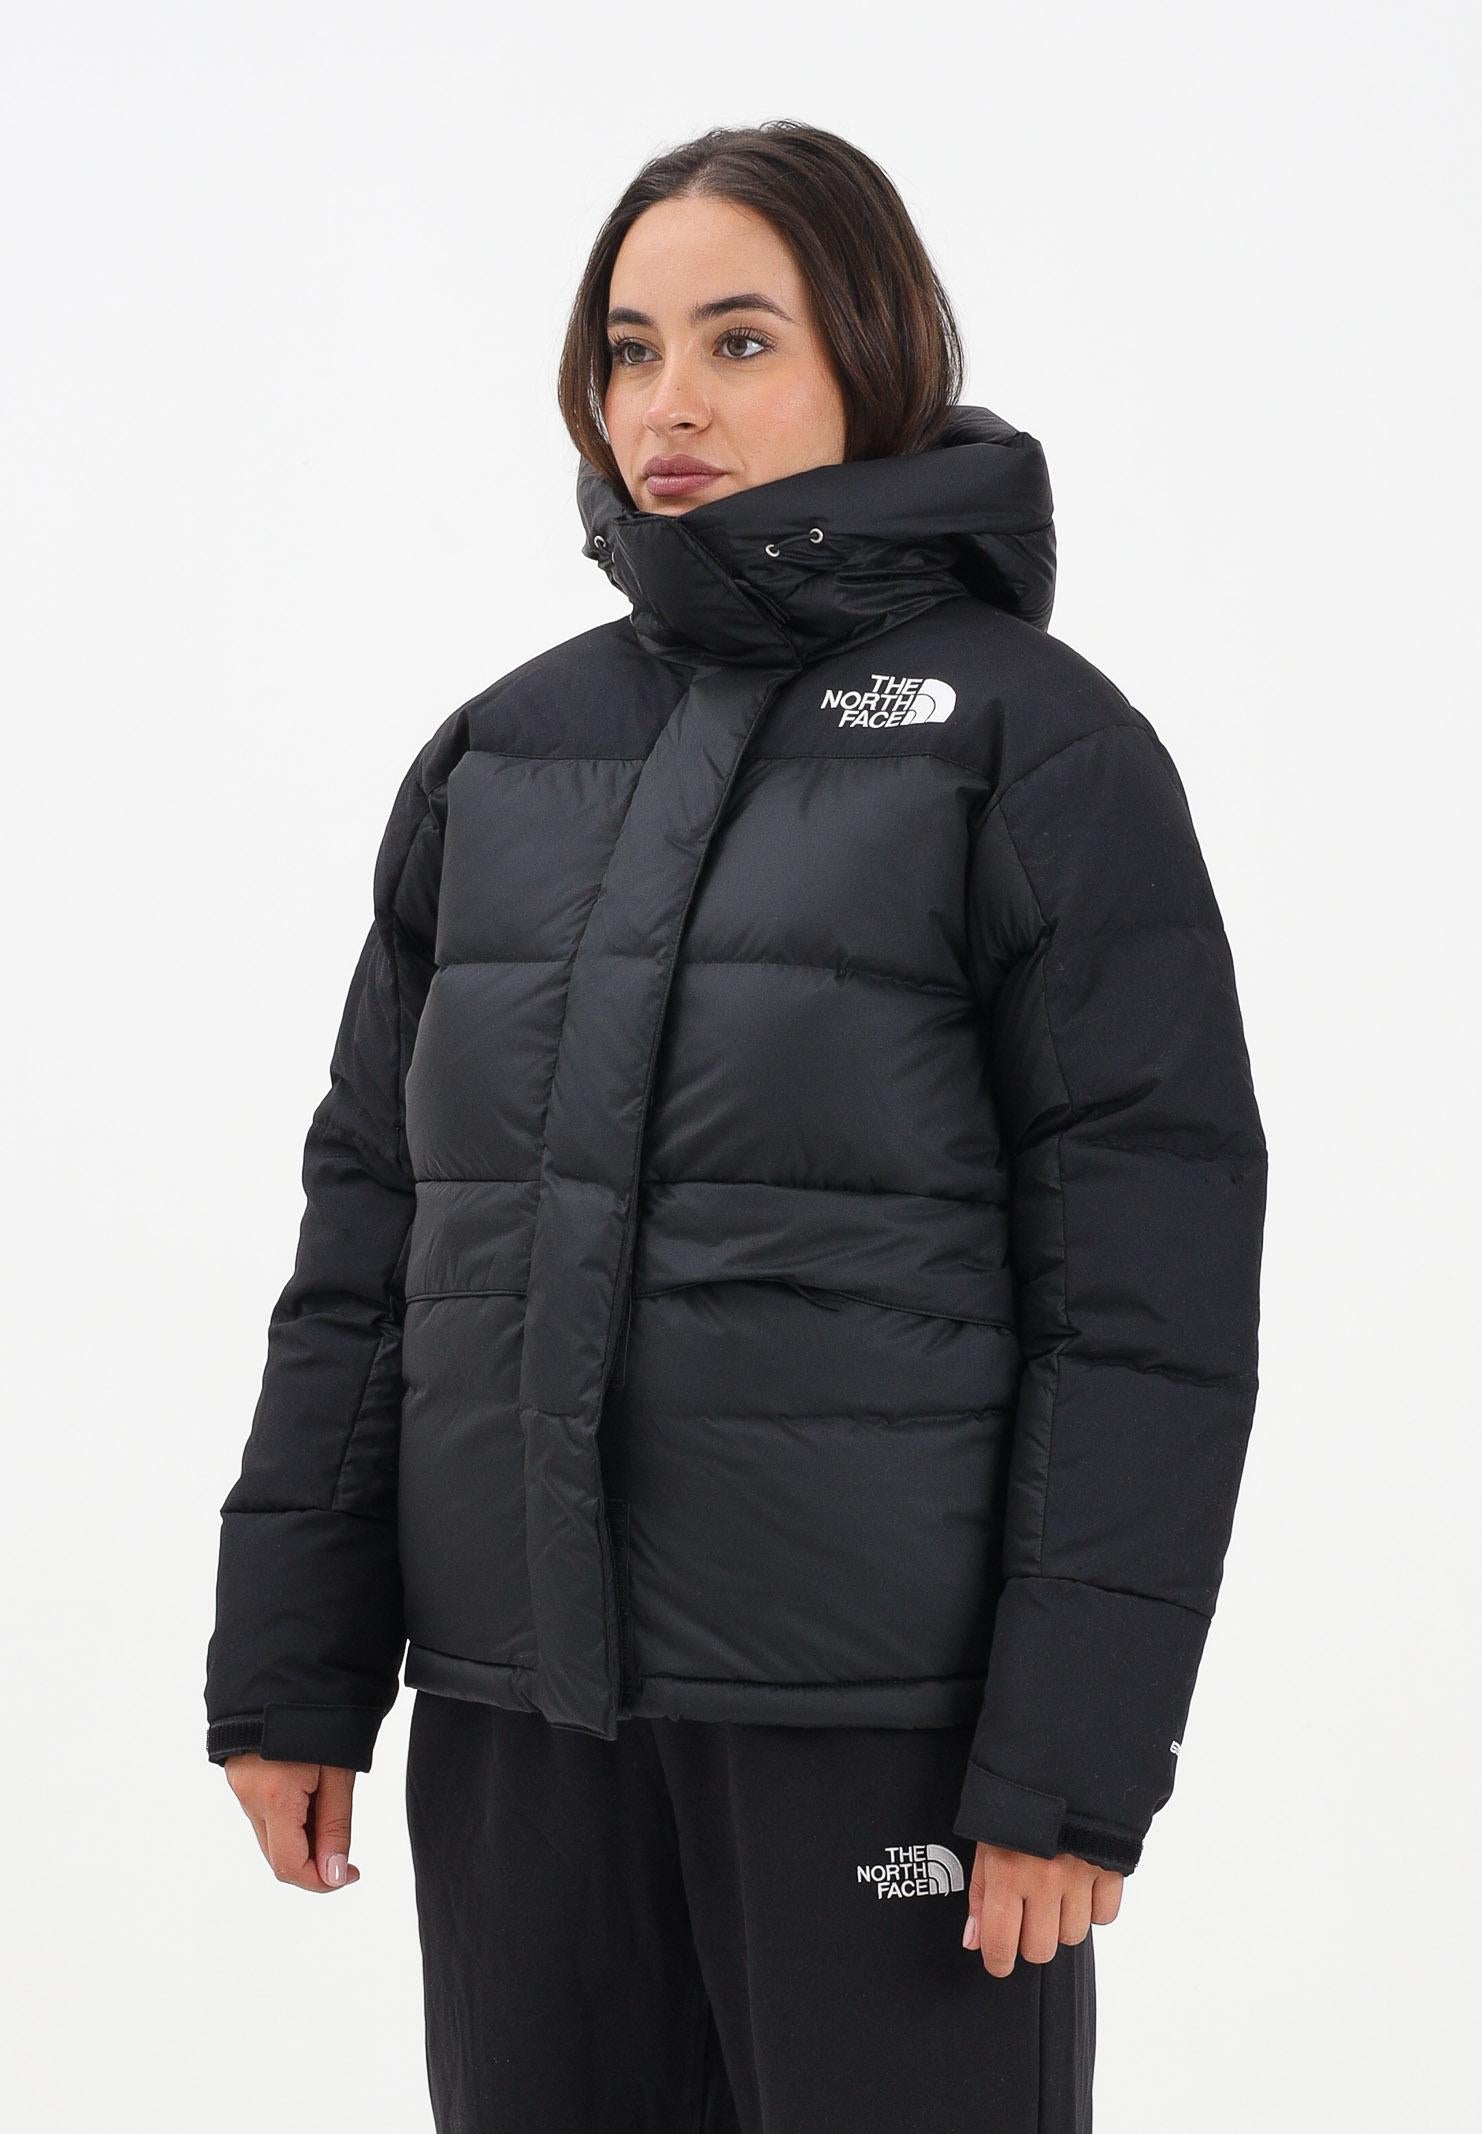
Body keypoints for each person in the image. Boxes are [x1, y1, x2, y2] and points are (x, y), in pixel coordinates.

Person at [204, 119, 1268, 2134]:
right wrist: (293, 1657)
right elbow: (372, 1238)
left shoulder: (1032, 746)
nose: (667, 402)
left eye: (738, 339)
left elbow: (1149, 1299)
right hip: (524, 1715)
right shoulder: (499, 756)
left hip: (887, 1730)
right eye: (629, 348)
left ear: (871, 354)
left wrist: (1070, 1754)